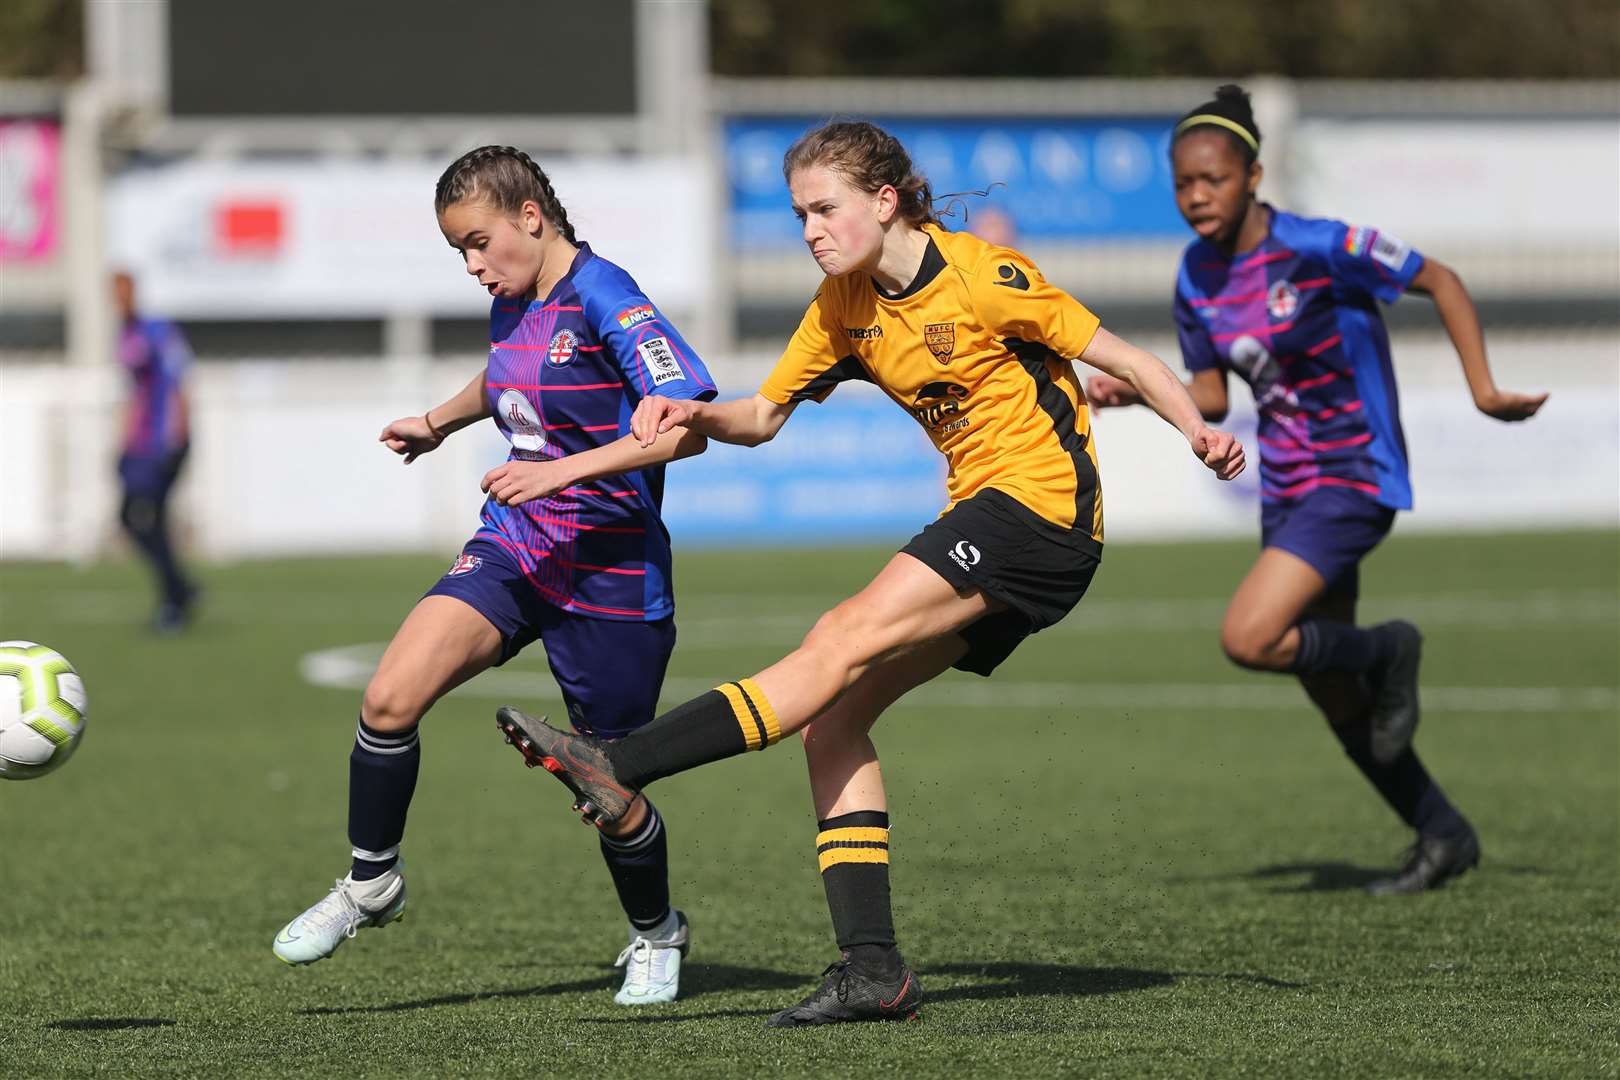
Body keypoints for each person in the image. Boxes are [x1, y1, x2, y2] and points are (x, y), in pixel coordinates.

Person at [492, 120, 1245, 1027]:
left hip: (1040, 514)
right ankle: (872, 970)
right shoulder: (841, 305)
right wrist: (683, 413)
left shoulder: (982, 276)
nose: (810, 229)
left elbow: (1118, 357)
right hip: (992, 522)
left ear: (884, 203)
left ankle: (620, 764)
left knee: (838, 638)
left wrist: (1195, 431)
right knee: (833, 719)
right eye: (799, 213)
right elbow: (763, 416)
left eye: (825, 208)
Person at [271, 146, 719, 1007]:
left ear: (529, 215)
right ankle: (372, 882)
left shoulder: (607, 297)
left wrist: (561, 470)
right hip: (516, 543)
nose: (474, 266)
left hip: (612, 572)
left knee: (607, 780)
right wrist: (439, 422)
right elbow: (510, 372)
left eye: (478, 243)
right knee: (390, 697)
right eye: (458, 253)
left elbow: (687, 423)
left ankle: (657, 932)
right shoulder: (515, 298)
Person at [1085, 85, 1547, 895]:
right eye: (1183, 185)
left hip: (1354, 470)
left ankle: (1391, 649)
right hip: (1287, 486)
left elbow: (1440, 279)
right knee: (1326, 681)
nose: (1197, 197)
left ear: (1253, 174)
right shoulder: (1195, 277)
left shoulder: (1319, 246)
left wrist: (1482, 388)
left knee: (1251, 636)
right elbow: (1217, 395)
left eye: (1213, 180)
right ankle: (1442, 832)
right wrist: (1130, 393)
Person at [114, 271, 198, 633]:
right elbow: (136, 392)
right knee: (130, 517)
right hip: (140, 444)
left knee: (153, 518)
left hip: (164, 441)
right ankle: (178, 587)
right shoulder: (125, 335)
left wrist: (179, 433)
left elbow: (178, 380)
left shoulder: (156, 330)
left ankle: (173, 600)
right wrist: (124, 439)